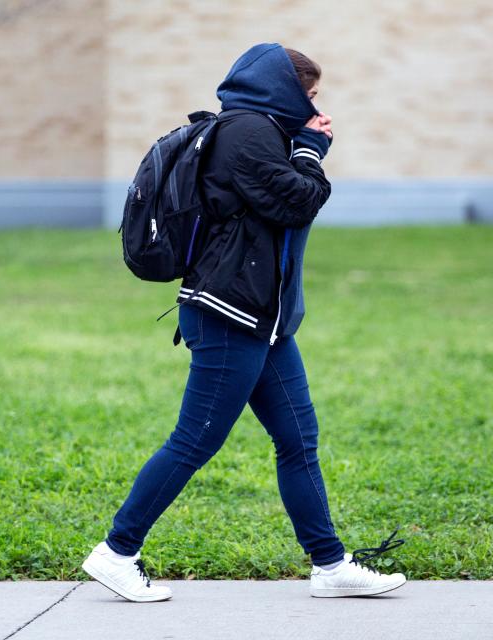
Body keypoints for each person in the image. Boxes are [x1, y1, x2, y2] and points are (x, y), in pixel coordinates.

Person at [81, 43, 407, 601]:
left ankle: (330, 567)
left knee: (298, 439)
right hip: (228, 313)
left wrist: (303, 146)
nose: (314, 104)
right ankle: (116, 551)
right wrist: (311, 150)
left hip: (263, 318)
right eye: (308, 93)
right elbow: (299, 201)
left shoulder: (265, 131)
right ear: (282, 89)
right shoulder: (247, 133)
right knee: (194, 440)